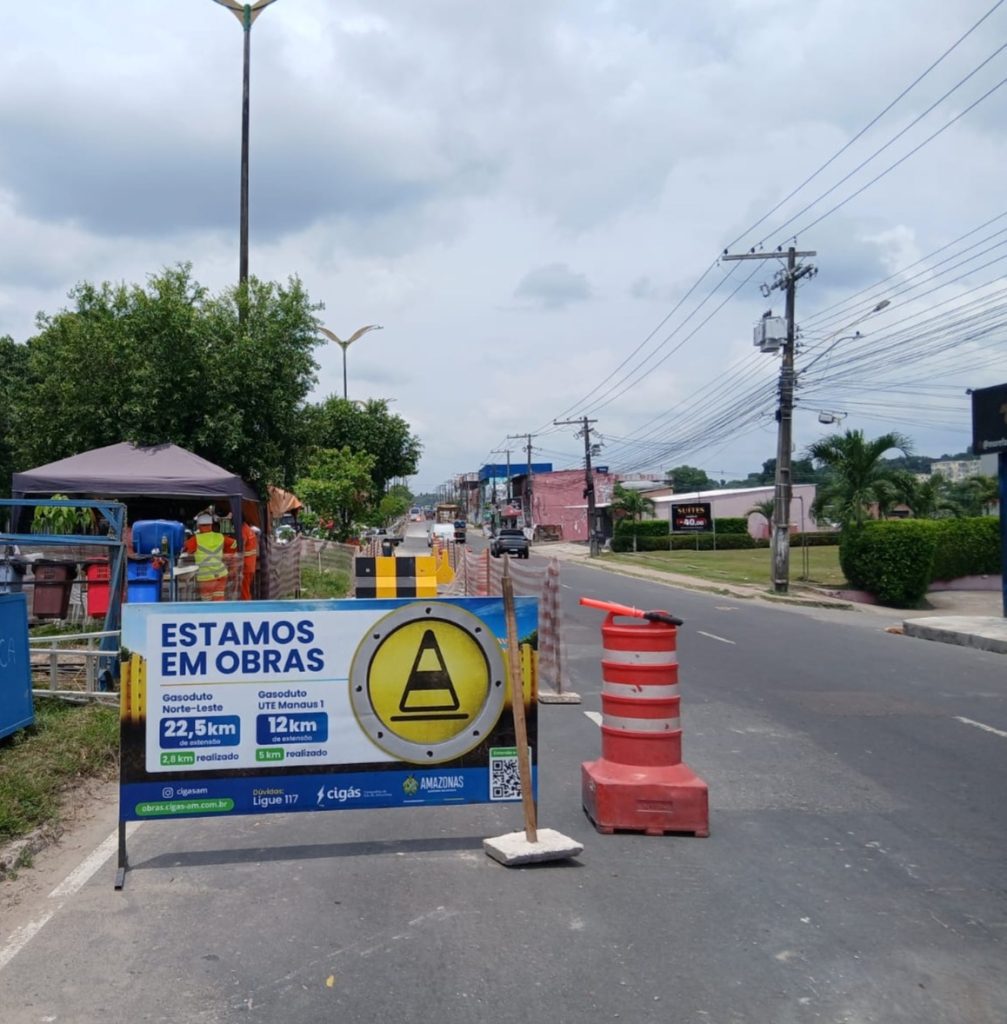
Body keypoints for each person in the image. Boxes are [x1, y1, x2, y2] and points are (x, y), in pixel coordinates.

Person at [182, 513, 237, 601]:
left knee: (207, 602)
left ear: (199, 526)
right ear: (211, 525)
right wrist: (227, 554)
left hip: (206, 577)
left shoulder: (196, 539)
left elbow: (184, 549)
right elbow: (234, 543)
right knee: (218, 600)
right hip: (221, 574)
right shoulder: (219, 536)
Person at [240, 521, 260, 601]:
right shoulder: (249, 530)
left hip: (245, 566)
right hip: (250, 565)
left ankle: (246, 606)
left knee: (244, 589)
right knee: (246, 588)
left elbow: (241, 546)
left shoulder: (243, 530)